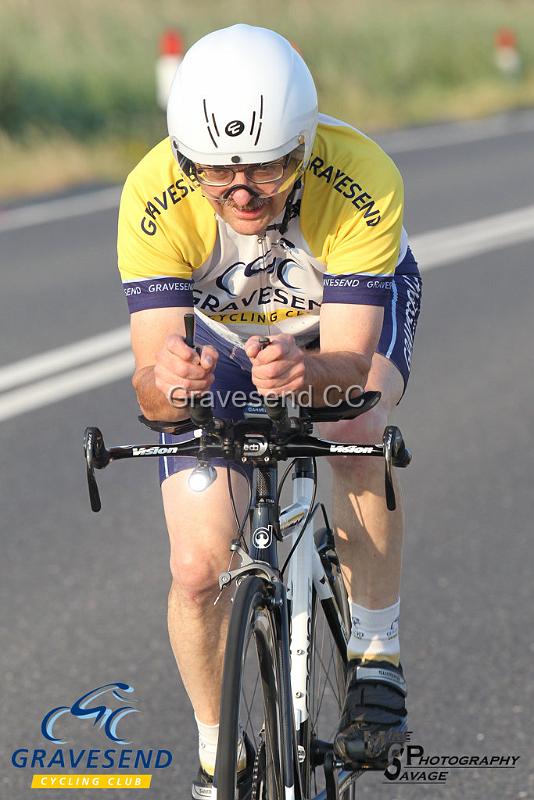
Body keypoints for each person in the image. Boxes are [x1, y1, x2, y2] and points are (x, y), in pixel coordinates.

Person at [117, 23, 422, 798]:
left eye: (270, 169)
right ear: (187, 159)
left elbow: (349, 365)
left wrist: (306, 370)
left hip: (335, 328)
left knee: (353, 423)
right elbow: (149, 390)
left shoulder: (360, 176)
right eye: (217, 175)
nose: (243, 194)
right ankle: (222, 749)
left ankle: (377, 653)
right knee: (195, 569)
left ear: (307, 148)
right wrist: (174, 382)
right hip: (220, 334)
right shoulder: (153, 195)